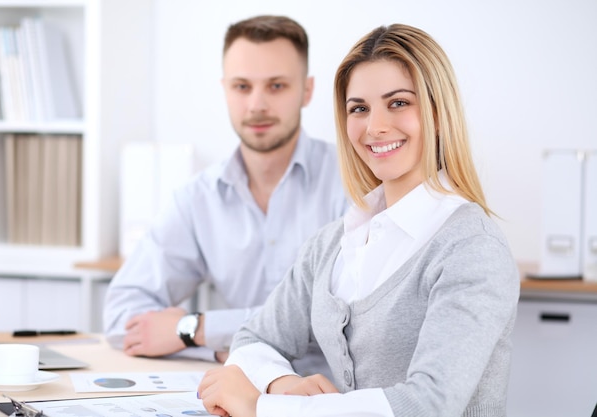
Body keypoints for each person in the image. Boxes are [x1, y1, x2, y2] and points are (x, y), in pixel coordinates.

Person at [197, 23, 520, 417]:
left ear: (438, 111)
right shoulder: (334, 243)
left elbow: (429, 405)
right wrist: (285, 385)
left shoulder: (472, 247)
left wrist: (262, 406)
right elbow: (253, 339)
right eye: (359, 109)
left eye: (399, 102)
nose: (375, 126)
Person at [103, 15, 348, 369]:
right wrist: (216, 349)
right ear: (225, 89)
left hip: (330, 399)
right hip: (234, 392)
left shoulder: (352, 183)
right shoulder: (199, 198)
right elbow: (122, 314)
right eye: (242, 86)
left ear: (307, 90)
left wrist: (196, 328)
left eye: (276, 86)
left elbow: (346, 320)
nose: (256, 105)